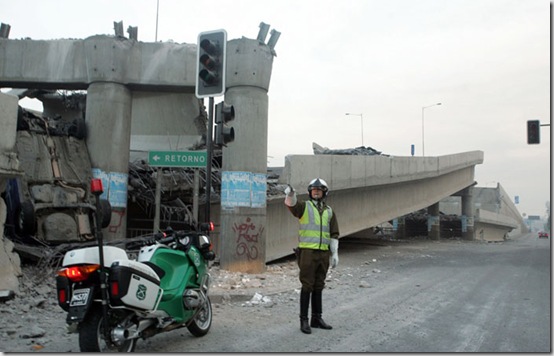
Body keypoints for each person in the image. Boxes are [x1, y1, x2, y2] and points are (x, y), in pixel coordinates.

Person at [284, 178, 339, 334]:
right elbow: (292, 206)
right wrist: (290, 195)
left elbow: (334, 233)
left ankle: (317, 318)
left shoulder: (329, 211)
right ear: (309, 192)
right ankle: (304, 320)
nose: (316, 192)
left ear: (324, 192)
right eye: (313, 190)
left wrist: (334, 253)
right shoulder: (304, 207)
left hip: (323, 253)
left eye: (319, 190)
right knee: (307, 285)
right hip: (307, 252)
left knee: (319, 285)